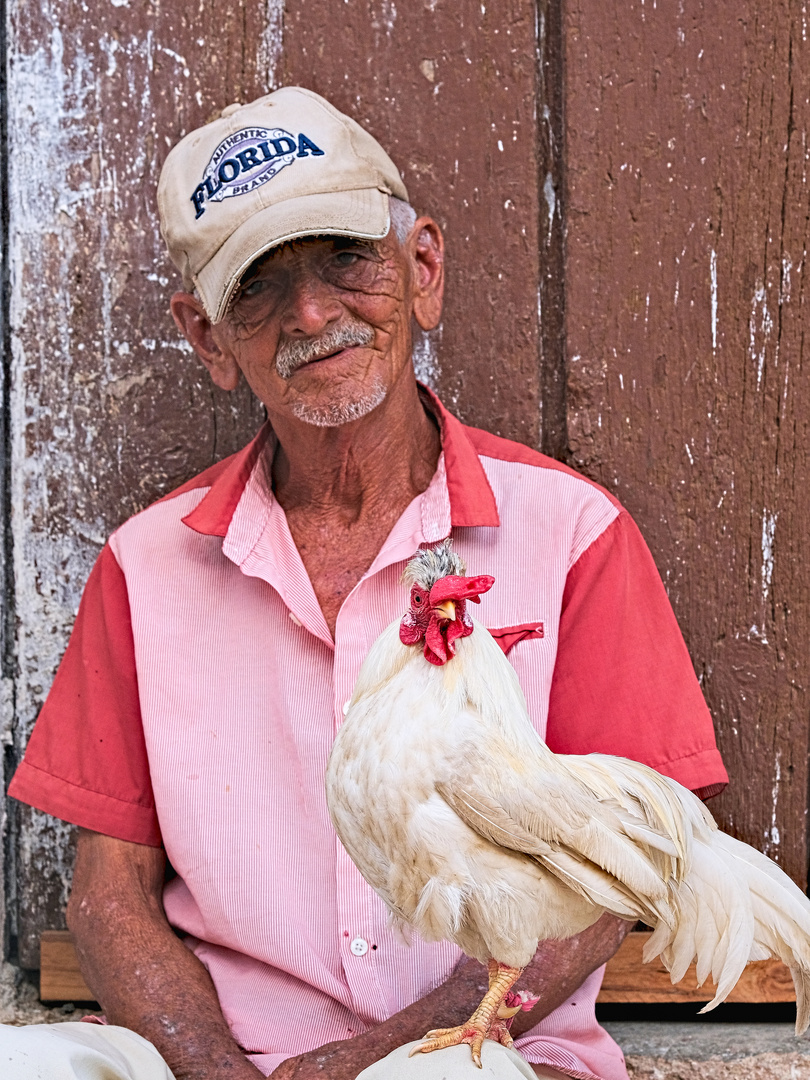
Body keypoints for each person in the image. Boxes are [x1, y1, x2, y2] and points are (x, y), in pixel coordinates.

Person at [4, 86, 727, 1080]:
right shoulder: (145, 564)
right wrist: (215, 1072)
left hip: (474, 1046)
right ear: (210, 337)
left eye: (347, 260)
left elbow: (620, 877)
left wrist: (379, 1056)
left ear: (420, 268)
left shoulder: (572, 533)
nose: (312, 314)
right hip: (221, 1058)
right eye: (258, 285)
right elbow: (108, 893)